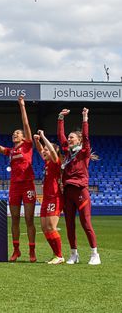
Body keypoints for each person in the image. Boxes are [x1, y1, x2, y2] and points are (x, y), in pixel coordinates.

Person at [0, 96, 37, 263]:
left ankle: (32, 250)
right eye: (14, 133)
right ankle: (16, 250)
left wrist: (22, 106)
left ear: (24, 137)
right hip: (14, 187)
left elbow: (26, 125)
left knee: (29, 219)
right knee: (15, 218)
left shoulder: (27, 145)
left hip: (28, 185)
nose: (15, 134)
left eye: (17, 133)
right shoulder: (10, 151)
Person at [58, 108, 100, 265]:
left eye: (72, 137)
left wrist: (85, 118)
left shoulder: (83, 152)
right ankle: (74, 254)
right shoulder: (67, 153)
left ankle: (95, 254)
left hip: (80, 191)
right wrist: (60, 118)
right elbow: (60, 136)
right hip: (67, 192)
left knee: (85, 223)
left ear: (79, 140)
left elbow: (87, 136)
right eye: (69, 137)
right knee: (69, 224)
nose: (69, 139)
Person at [33, 130, 64, 264]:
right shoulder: (47, 163)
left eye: (46, 150)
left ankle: (59, 255)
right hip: (46, 198)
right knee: (45, 227)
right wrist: (37, 141)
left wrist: (44, 137)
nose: (43, 152)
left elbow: (51, 151)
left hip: (55, 197)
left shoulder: (56, 161)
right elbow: (41, 150)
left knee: (51, 226)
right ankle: (55, 254)